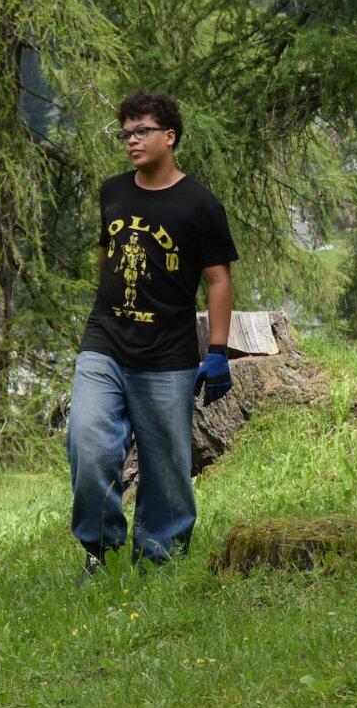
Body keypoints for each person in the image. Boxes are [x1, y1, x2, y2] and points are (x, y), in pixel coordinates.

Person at [66, 90, 238, 574]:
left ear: (170, 136)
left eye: (142, 131)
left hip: (167, 355)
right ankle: (100, 550)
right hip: (105, 343)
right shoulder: (113, 192)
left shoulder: (200, 204)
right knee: (88, 443)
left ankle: (160, 559)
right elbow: (106, 254)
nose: (132, 141)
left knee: (165, 468)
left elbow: (218, 279)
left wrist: (218, 351)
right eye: (125, 133)